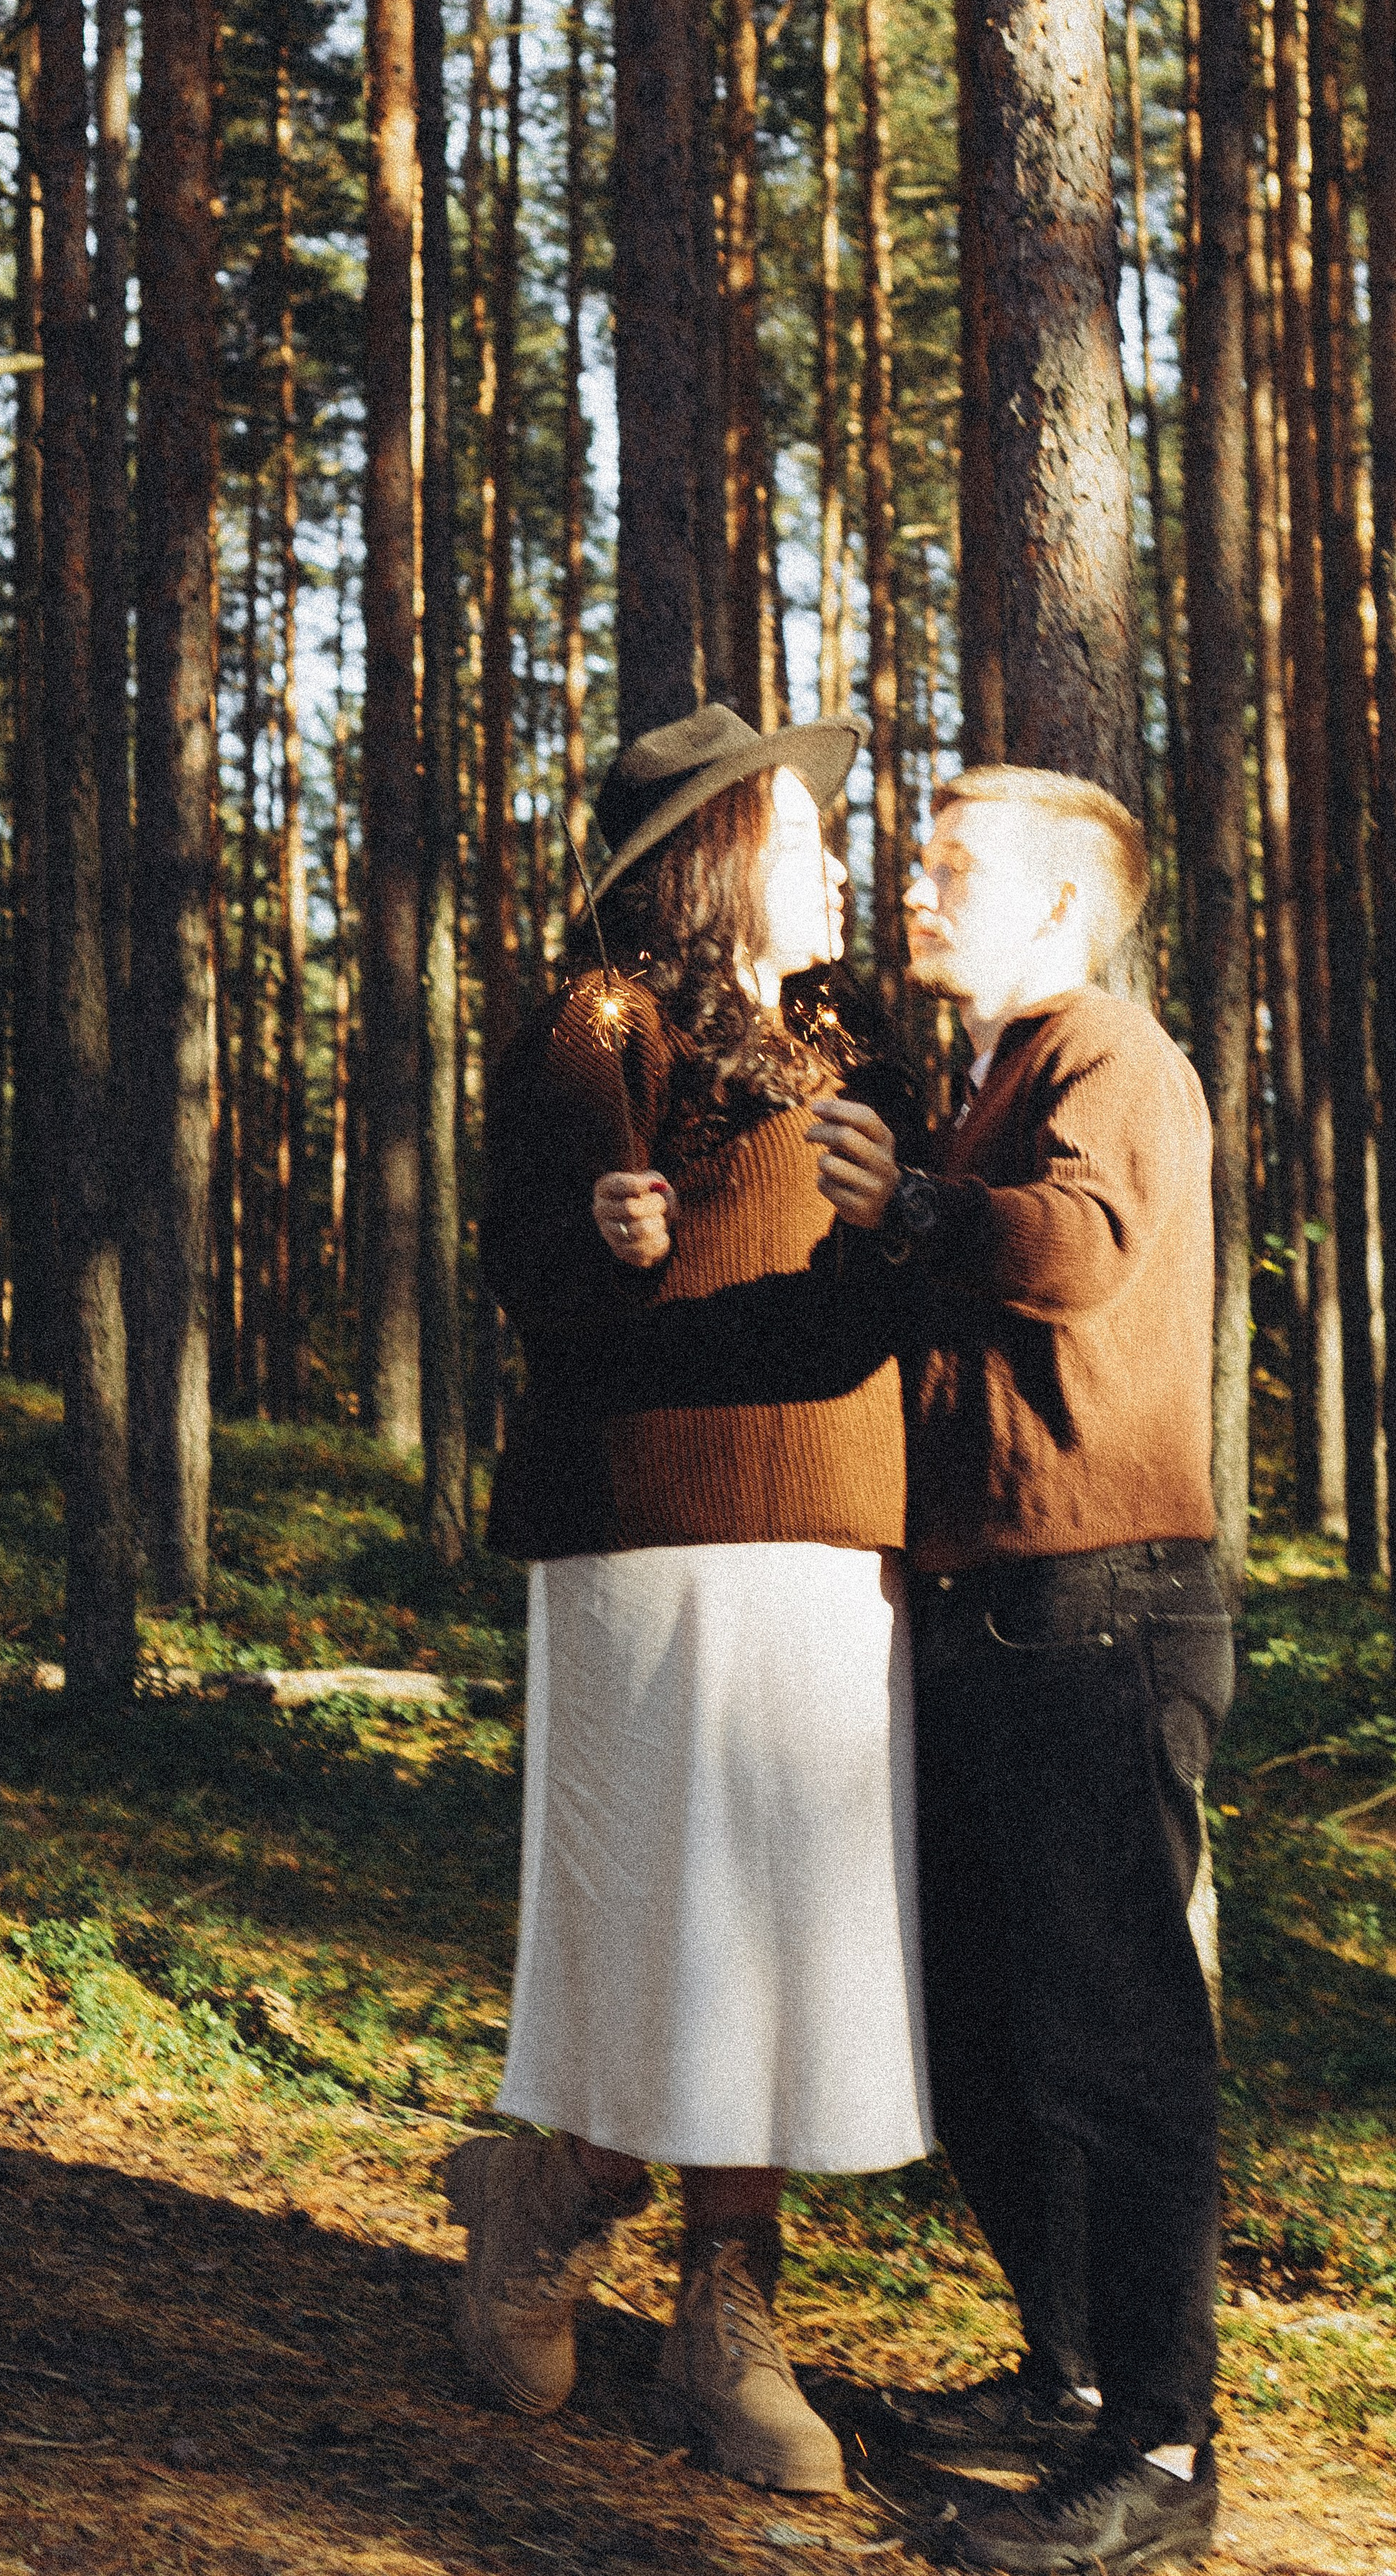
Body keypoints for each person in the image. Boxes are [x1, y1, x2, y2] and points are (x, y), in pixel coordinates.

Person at [448, 702, 932, 2497]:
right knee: (644, 1910)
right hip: (643, 1514)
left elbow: (911, 1256)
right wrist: (606, 1236)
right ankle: (549, 2190)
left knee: (799, 1932)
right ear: (716, 854)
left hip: (836, 1521)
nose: (830, 860)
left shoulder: (861, 1033)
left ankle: (731, 2315)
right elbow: (527, 1260)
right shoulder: (600, 1018)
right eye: (800, 830)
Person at [808, 765, 1232, 2575]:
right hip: (991, 1609)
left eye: (954, 868)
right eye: (916, 858)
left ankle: (1162, 2446)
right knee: (987, 2032)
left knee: (1112, 2045)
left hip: (1100, 1610)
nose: (916, 887)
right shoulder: (982, 1081)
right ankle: (1065, 2382)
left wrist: (911, 1206)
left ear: (1058, 910)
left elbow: (1073, 1252)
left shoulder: (1105, 1056)